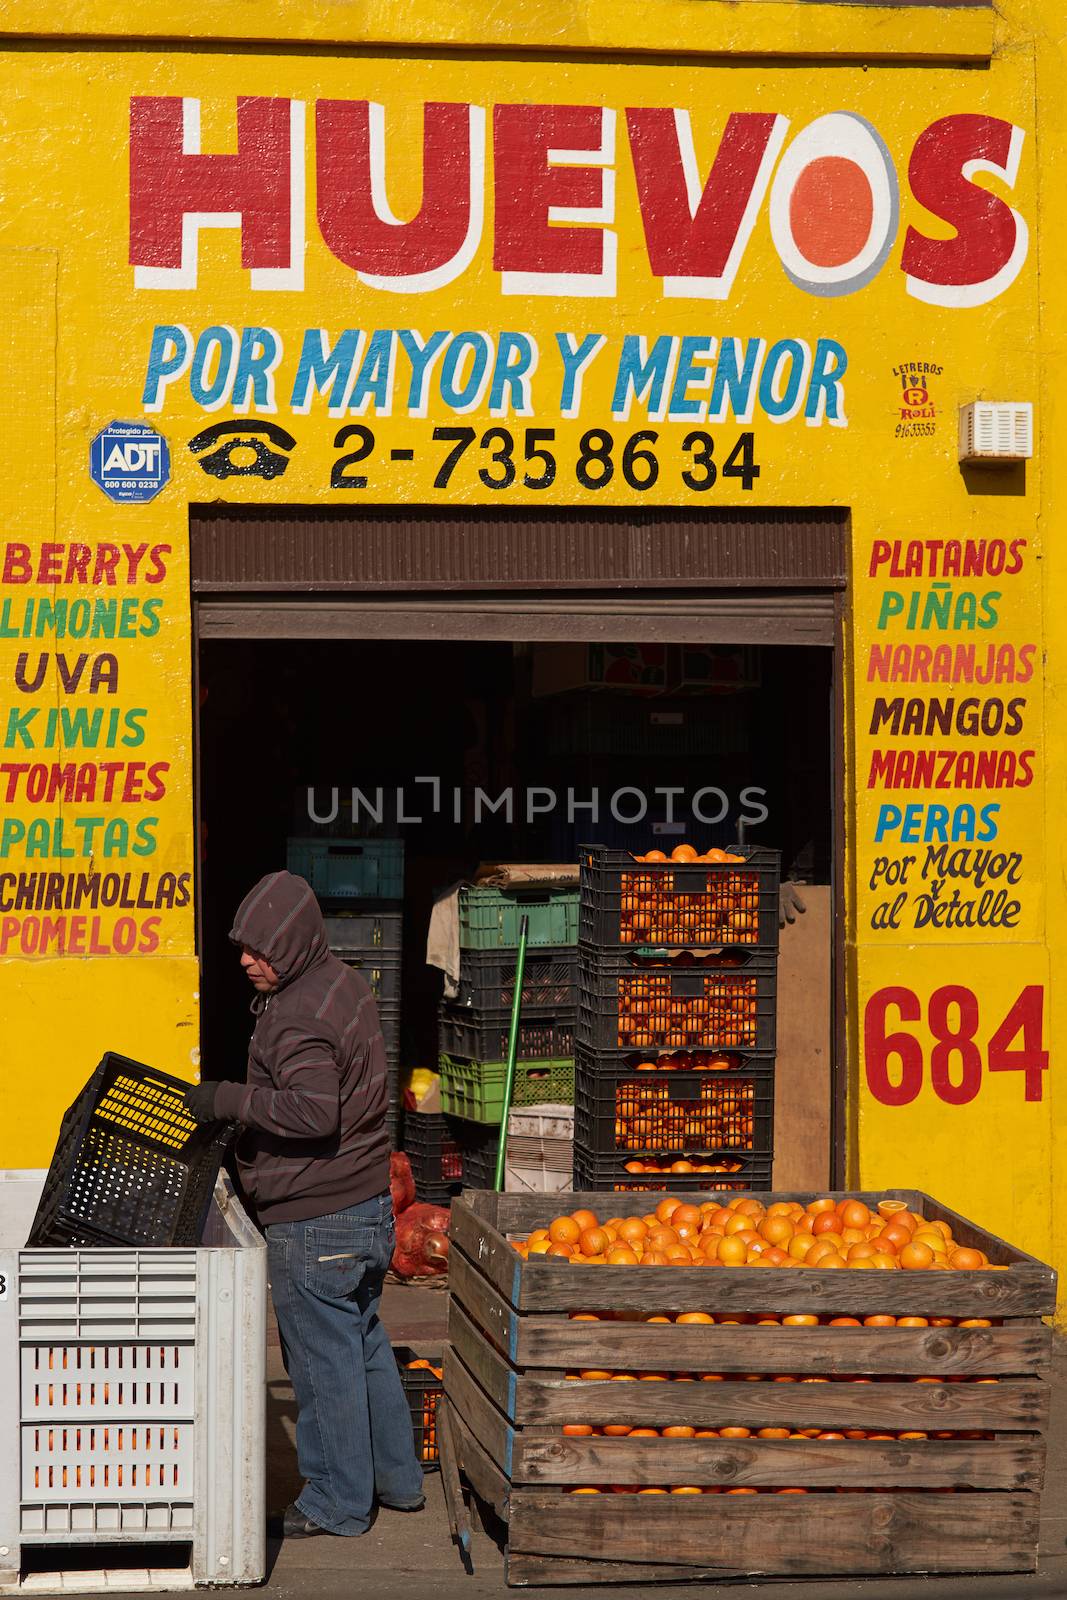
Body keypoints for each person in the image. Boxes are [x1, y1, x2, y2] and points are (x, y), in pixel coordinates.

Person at [184, 869, 424, 1539]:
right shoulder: (340, 982)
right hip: (366, 1205)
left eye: (258, 950)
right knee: (362, 1344)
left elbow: (314, 1112)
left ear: (290, 946)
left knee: (321, 1362)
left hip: (316, 1219)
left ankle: (336, 1503)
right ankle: (395, 1480)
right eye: (242, 946)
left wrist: (228, 1100)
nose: (244, 961)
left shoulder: (295, 1017)